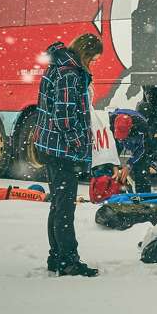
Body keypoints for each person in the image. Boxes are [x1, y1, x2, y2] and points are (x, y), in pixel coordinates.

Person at [33, 34, 103, 276]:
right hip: (62, 150)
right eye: (92, 59)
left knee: (58, 205)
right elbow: (64, 118)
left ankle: (56, 257)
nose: (92, 64)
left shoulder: (58, 67)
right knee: (64, 208)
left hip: (50, 146)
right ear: (85, 53)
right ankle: (68, 260)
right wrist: (77, 145)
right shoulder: (69, 74)